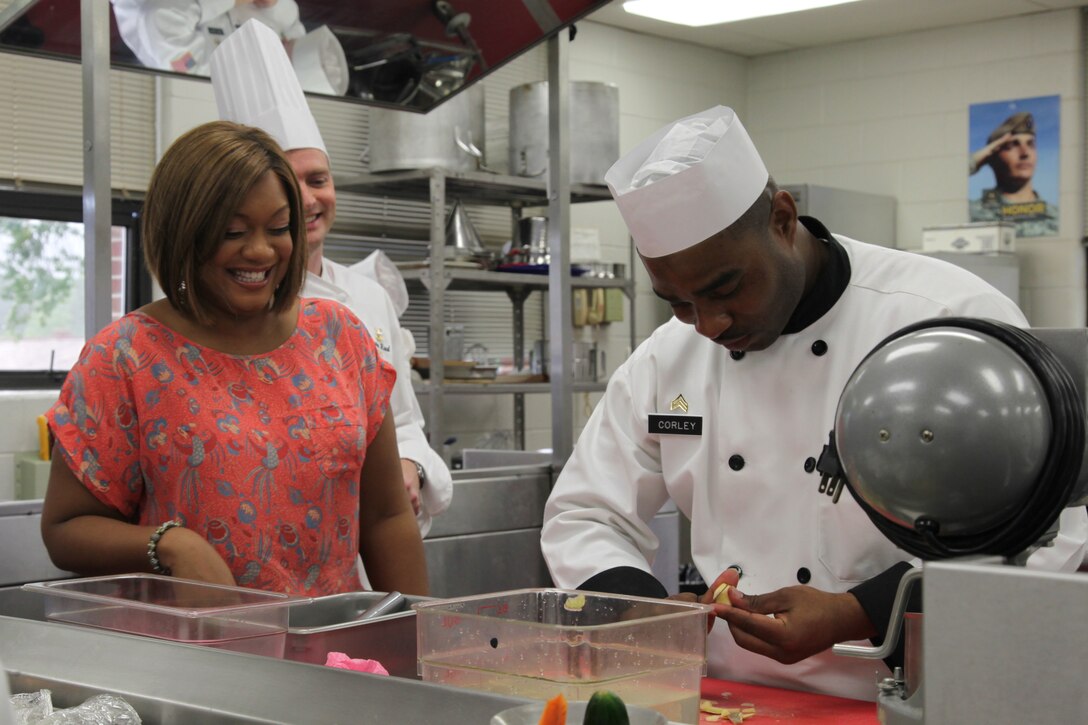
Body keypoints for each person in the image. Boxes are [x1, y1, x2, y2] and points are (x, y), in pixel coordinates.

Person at [540, 106, 1088, 700]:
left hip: (915, 690)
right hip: (733, 695)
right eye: (678, 302)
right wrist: (636, 609)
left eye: (726, 288)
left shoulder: (945, 318)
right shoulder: (667, 358)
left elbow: (1059, 533)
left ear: (781, 219)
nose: (709, 324)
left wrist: (863, 610)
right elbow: (586, 513)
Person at [40, 120, 429, 597]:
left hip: (328, 648)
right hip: (195, 656)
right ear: (184, 232)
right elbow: (65, 528)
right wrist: (171, 545)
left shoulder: (339, 336)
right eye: (233, 232)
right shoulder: (124, 357)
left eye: (279, 228)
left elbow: (386, 516)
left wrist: (416, 638)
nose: (261, 251)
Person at [210, 19, 452, 539]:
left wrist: (410, 466)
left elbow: (404, 421)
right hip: (276, 538)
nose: (307, 199)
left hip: (374, 548)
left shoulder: (369, 296)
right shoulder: (232, 306)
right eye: (285, 184)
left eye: (318, 180)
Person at [109, 0, 348, 94]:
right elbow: (289, 16)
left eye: (283, 48)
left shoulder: (203, 73)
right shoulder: (282, 29)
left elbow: (158, 13)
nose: (284, 41)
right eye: (286, 42)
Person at [968, 110, 1058, 236]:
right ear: (991, 157)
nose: (1025, 153)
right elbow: (941, 180)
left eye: (1030, 144)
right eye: (1012, 145)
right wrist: (978, 158)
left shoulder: (1056, 215)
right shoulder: (973, 212)